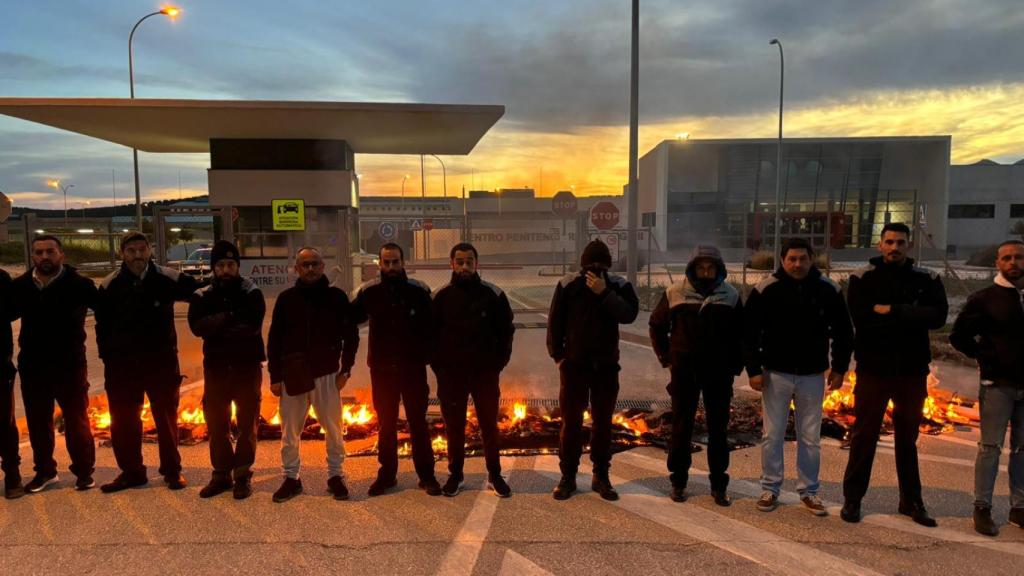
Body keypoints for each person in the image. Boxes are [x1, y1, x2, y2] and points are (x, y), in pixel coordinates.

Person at [841, 222, 948, 526]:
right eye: (889, 242)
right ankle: (853, 499)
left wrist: (893, 310)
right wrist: (912, 314)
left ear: (908, 245)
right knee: (863, 436)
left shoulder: (927, 278)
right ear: (879, 245)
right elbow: (860, 316)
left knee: (907, 439)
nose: (894, 247)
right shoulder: (862, 278)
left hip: (912, 372)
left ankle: (911, 501)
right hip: (873, 371)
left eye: (900, 242)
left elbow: (937, 317)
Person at [744, 238, 853, 516]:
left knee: (810, 437)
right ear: (782, 260)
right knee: (772, 434)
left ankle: (809, 491)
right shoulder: (766, 289)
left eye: (802, 259)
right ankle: (770, 488)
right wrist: (754, 370)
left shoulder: (828, 289)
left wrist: (839, 367)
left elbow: (843, 331)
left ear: (811, 259)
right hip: (775, 373)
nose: (797, 264)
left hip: (813, 374)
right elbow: (747, 332)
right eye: (792, 259)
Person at [94, 231, 198, 493]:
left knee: (166, 419)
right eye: (131, 251)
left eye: (142, 249)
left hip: (160, 363)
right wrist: (108, 356)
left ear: (150, 250)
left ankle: (172, 471)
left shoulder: (167, 277)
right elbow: (101, 326)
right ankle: (132, 472)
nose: (137, 255)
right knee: (124, 421)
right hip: (122, 367)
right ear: (122, 253)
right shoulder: (110, 284)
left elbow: (200, 294)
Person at [649, 244, 742, 507]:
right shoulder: (675, 293)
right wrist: (667, 358)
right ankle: (678, 481)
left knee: (718, 430)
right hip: (684, 371)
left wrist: (735, 366)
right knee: (681, 428)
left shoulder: (730, 296)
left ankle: (718, 484)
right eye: (701, 267)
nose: (705, 271)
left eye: (710, 267)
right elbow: (657, 325)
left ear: (718, 269)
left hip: (719, 373)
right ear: (692, 268)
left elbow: (741, 333)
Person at [547, 239, 639, 501]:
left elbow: (629, 314)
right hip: (574, 367)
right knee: (571, 424)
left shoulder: (618, 286)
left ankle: (601, 475)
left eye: (600, 265)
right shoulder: (568, 284)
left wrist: (604, 293)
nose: (595, 269)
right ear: (583, 264)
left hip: (606, 368)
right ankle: (568, 476)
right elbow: (555, 323)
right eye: (591, 265)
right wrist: (559, 358)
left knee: (602, 425)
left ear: (608, 265)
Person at [266, 247, 359, 503]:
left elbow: (351, 337)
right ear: (296, 269)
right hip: (293, 376)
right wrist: (275, 376)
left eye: (315, 264)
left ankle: (335, 476)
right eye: (304, 264)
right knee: (290, 432)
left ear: (322, 266)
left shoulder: (337, 298)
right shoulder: (286, 299)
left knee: (333, 428)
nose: (310, 269)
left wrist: (346, 371)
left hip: (327, 374)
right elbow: (274, 339)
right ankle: (291, 478)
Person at [9, 235, 98, 493]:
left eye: (50, 251)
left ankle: (84, 472)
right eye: (39, 252)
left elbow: (108, 312)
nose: (44, 257)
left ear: (62, 255)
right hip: (33, 366)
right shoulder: (22, 286)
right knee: (38, 422)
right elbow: (6, 314)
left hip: (70, 365)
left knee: (77, 421)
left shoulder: (79, 284)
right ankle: (46, 472)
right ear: (33, 257)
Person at [351, 243, 440, 497]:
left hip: (412, 369)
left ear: (404, 263)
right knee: (386, 424)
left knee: (418, 423)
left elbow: (433, 327)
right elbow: (350, 319)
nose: (391, 267)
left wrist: (426, 356)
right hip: (381, 370)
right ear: (379, 263)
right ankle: (387, 476)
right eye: (386, 262)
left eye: (395, 262)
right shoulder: (369, 292)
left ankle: (427, 475)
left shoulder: (419, 291)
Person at [950, 239, 1024, 536]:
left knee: (1022, 449)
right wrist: (986, 355)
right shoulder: (985, 299)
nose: (1013, 263)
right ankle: (982, 507)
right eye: (1007, 258)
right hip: (997, 387)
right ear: (997, 263)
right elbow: (959, 336)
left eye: (1019, 257)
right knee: (990, 449)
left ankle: (1019, 508)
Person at [431, 243, 515, 497]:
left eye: (469, 261)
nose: (464, 266)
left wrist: (497, 365)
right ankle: (455, 475)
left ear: (477, 264)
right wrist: (440, 369)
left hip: (484, 375)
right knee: (454, 427)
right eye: (460, 261)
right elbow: (430, 336)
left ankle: (494, 474)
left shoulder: (494, 295)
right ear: (452, 264)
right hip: (451, 377)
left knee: (489, 426)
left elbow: (507, 332)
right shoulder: (440, 296)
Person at [188, 240, 266, 500]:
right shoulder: (202, 294)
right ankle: (221, 474)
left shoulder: (251, 292)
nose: (225, 270)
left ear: (238, 266)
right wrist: (232, 316)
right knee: (217, 423)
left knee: (247, 423)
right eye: (220, 265)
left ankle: (242, 475)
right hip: (217, 369)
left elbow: (252, 327)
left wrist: (219, 324)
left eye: (230, 264)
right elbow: (198, 326)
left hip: (246, 367)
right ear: (214, 268)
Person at [0, 267, 23, 499]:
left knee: (4, 420)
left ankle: (12, 473)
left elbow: (14, 311)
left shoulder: (1, 278)